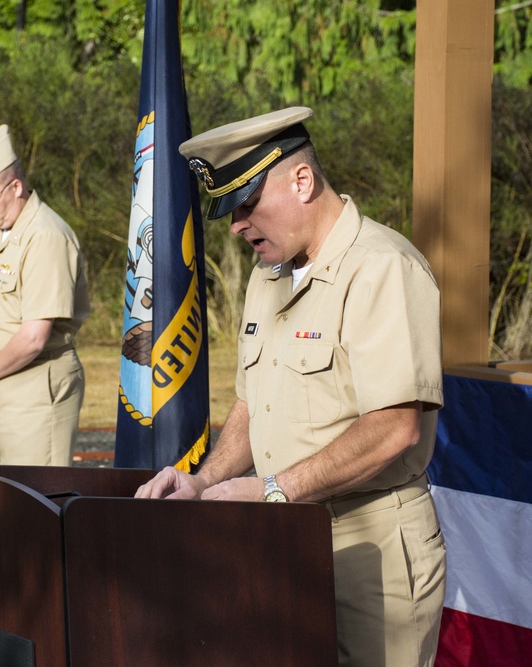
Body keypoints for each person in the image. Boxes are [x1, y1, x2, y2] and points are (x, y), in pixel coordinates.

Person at [135, 107, 446, 666]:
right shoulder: (268, 275)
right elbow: (255, 404)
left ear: (302, 181)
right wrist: (202, 482)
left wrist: (274, 490)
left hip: (370, 546)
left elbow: (395, 427)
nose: (236, 226)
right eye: (228, 211)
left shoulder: (382, 267)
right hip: (283, 541)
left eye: (248, 204)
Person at [0, 124, 91, 466]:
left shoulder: (46, 235)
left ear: (15, 187)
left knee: (35, 506)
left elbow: (33, 338)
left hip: (35, 386)